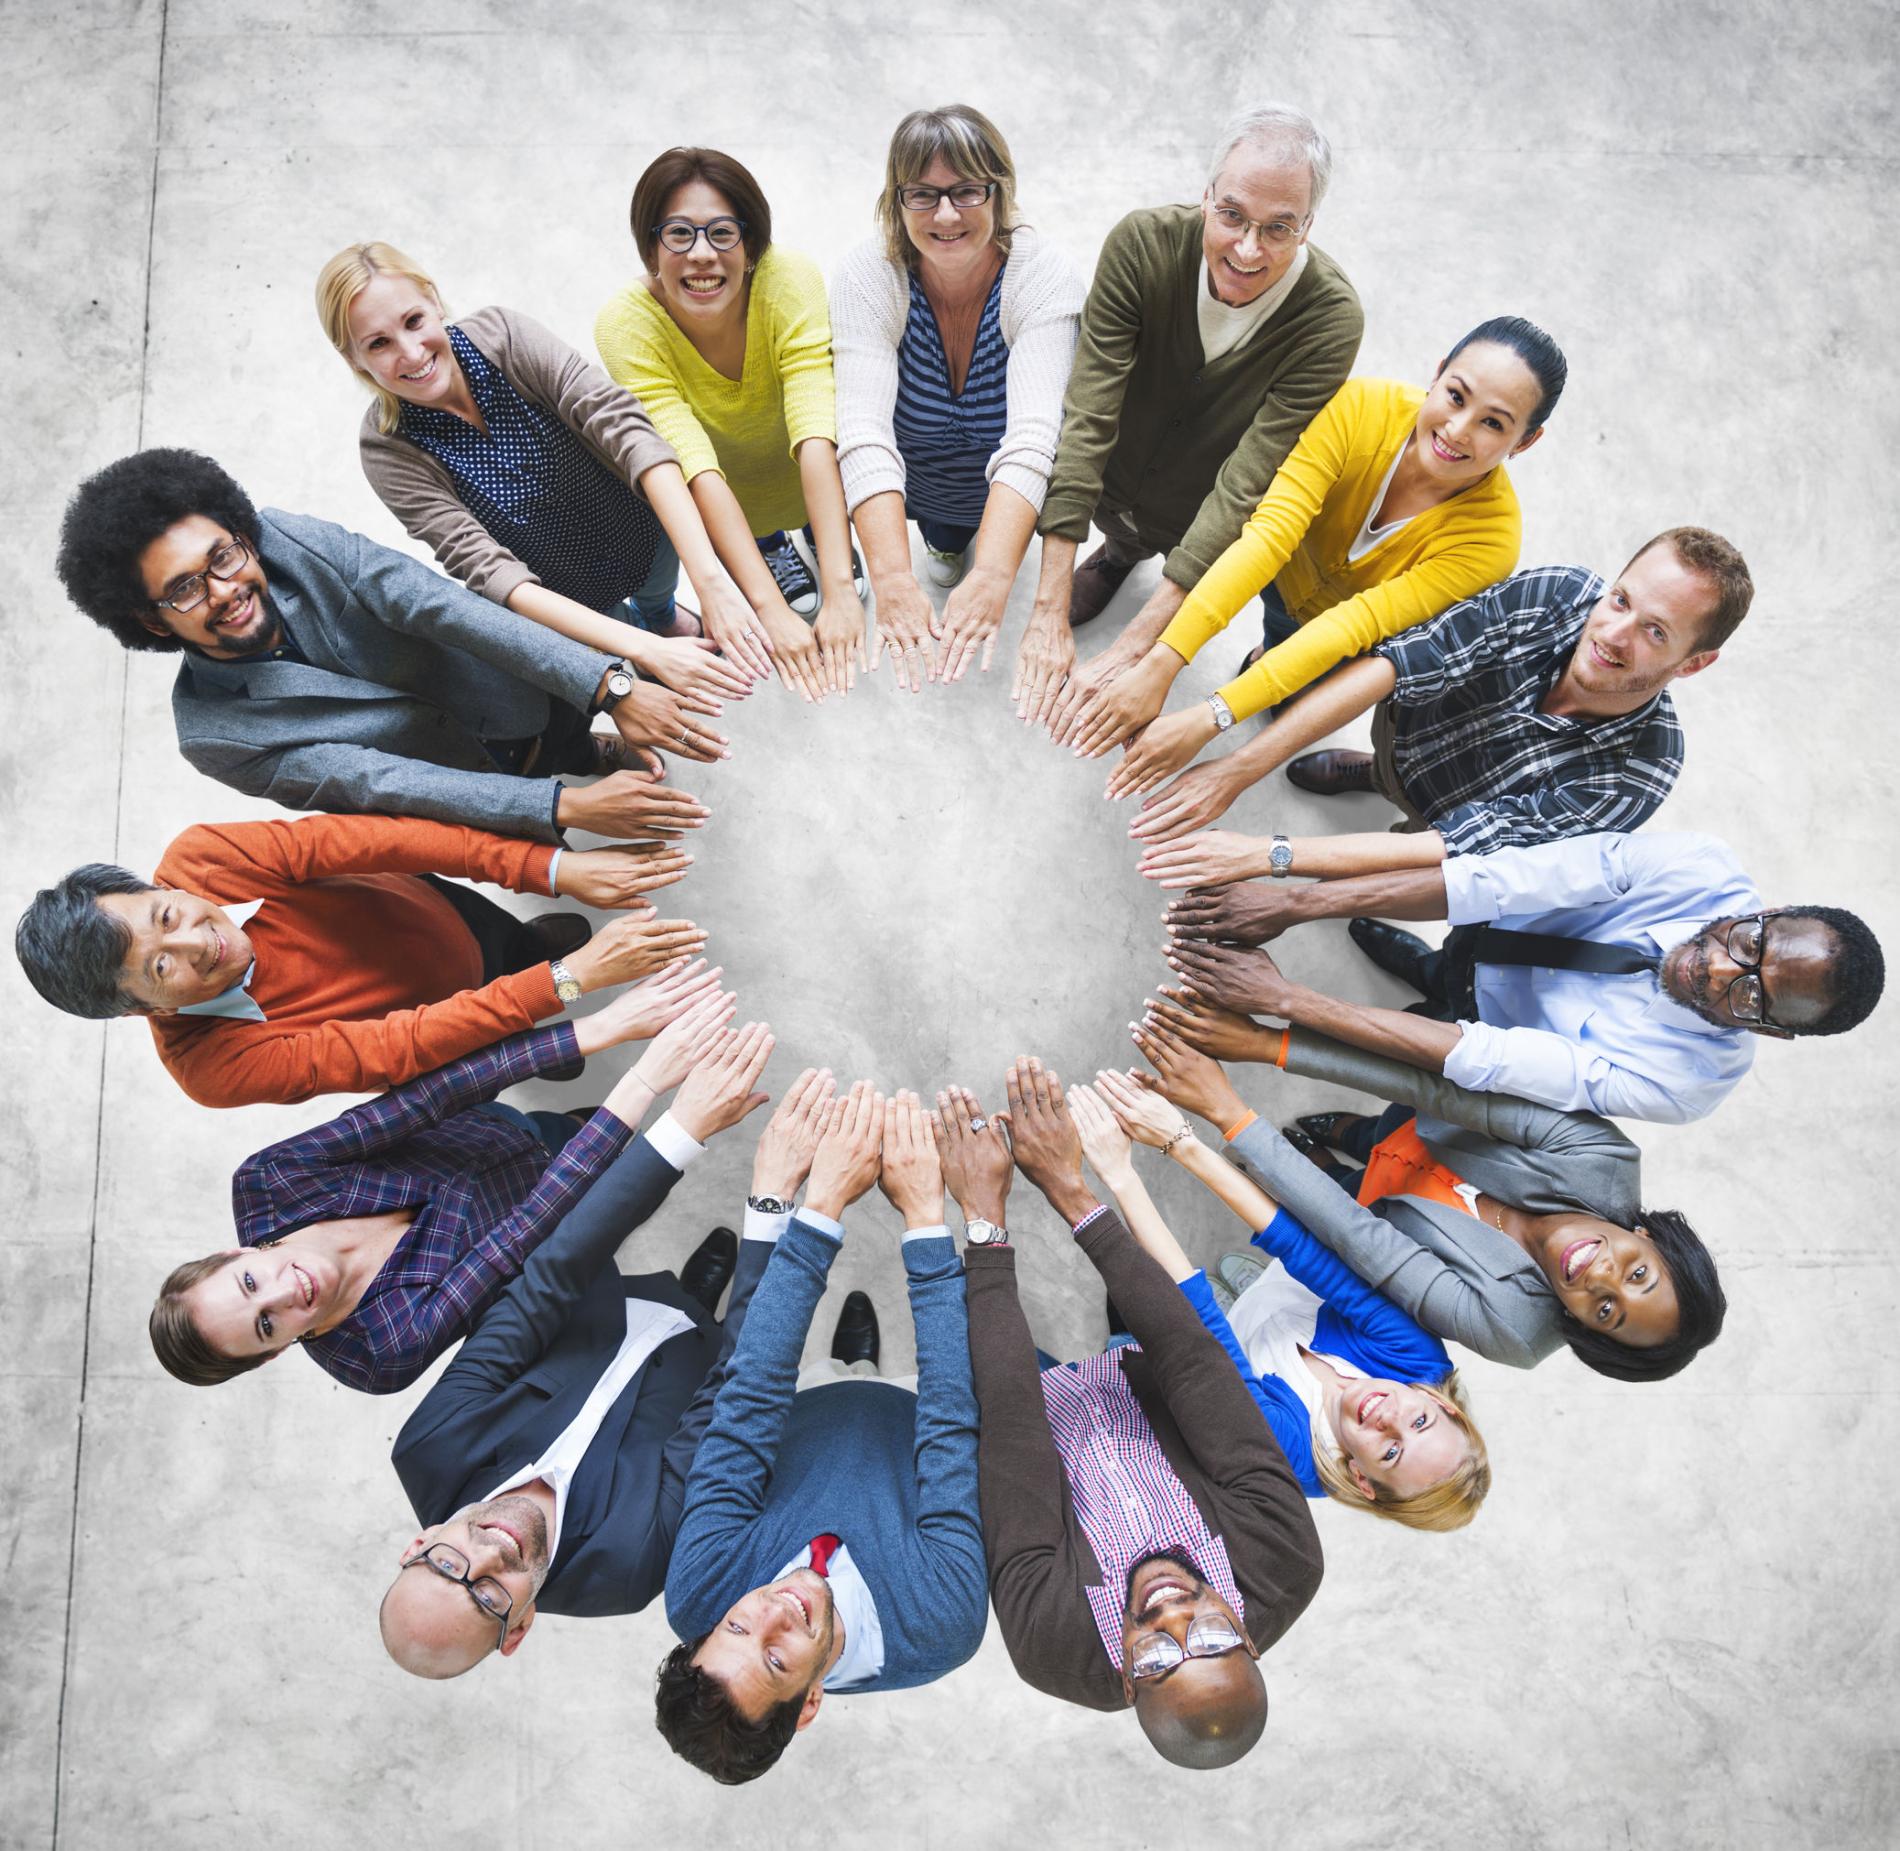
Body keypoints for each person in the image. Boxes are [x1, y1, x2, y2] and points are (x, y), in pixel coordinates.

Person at [949, 1057, 1322, 1768]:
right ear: (1247, 1635)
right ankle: (1114, 1315)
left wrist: (984, 1224)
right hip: (1146, 1375)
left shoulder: (1051, 1647)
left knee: (998, 1351)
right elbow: (1191, 1359)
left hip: (1034, 1428)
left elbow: (1010, 1433)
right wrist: (1070, 1191)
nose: (1171, 1615)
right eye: (1209, 1638)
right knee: (1140, 1313)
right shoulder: (1284, 1561)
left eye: (1155, 1657)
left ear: (1123, 1677)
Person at [379, 1025, 780, 1678]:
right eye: (485, 1598)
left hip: (616, 1305)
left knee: (681, 1287)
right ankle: (704, 1298)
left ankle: (692, 1286)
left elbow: (551, 1278)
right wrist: (772, 1207)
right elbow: (733, 1402)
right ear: (520, 1627)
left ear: (420, 1544)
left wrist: (682, 1128)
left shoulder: (431, 1446)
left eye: (449, 1566)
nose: (485, 1558)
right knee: (711, 1323)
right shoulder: (625, 1572)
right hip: (701, 1371)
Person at [54, 448, 718, 842]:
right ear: (151, 621)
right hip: (467, 784)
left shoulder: (292, 538)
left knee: (567, 733)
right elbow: (381, 783)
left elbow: (438, 605)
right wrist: (560, 808)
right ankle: (572, 763)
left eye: (223, 555)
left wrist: (609, 684)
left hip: (511, 684)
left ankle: (588, 748)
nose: (224, 590)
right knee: (538, 770)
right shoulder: (216, 735)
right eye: (184, 590)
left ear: (243, 535)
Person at [147, 976, 736, 1394]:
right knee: (608, 1191)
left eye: (249, 1281)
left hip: (488, 1132)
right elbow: (517, 1239)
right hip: (546, 1224)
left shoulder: (271, 1182)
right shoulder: (380, 1353)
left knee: (567, 1127)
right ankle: (684, 1292)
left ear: (236, 1253)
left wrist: (602, 1027)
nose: (281, 1294)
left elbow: (429, 1099)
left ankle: (580, 1115)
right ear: (275, 1352)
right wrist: (644, 1081)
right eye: (266, 1325)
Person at [653, 1086, 987, 1784]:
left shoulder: (696, 1594)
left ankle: (851, 1360)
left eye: (737, 1629)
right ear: (808, 1705)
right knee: (921, 1388)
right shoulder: (942, 1626)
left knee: (828, 1365)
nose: (775, 1611)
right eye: (777, 1658)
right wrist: (926, 1219)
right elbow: (950, 1424)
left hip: (807, 1397)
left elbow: (747, 1406)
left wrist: (821, 1208)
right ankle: (869, 1364)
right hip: (912, 1414)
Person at [1090, 316, 1568, 795]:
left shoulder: (1492, 541)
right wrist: (1161, 662)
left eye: (1493, 423)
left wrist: (1213, 714)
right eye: (1456, 396)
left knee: (1295, 680)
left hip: (1346, 637)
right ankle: (1266, 653)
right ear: (1438, 374)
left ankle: (1269, 660)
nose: (1458, 430)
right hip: (1278, 573)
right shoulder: (1363, 406)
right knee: (1272, 621)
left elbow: (1354, 626)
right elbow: (1268, 537)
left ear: (1525, 441)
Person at [1129, 1000, 1725, 1380]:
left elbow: (1364, 1241)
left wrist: (1228, 1113)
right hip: (1426, 1126)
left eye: (1605, 1312)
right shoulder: (1603, 1159)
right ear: (1649, 1237)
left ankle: (1322, 1148)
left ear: (1584, 1329)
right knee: (1374, 1129)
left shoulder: (1514, 1330)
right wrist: (1270, 1045)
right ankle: (1341, 1129)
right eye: (1637, 1273)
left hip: (1383, 1215)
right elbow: (1444, 1095)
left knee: (1340, 1188)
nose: (1600, 1279)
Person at [1013, 102, 1362, 729]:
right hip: (1116, 478)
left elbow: (1249, 480)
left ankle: (1140, 564)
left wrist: (1138, 645)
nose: (1248, 250)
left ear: (1309, 225)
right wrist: (1046, 604)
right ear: (1205, 196)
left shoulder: (1331, 319)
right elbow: (1090, 411)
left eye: (1279, 228)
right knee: (1120, 534)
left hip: (1200, 510)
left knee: (1195, 533)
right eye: (1231, 215)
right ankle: (1118, 556)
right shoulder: (1141, 244)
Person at [1163, 830, 1887, 1125]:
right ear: (1772, 908)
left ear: (1773, 1031)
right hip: (1494, 927)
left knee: (1437, 1018)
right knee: (1444, 955)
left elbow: (1490, 1059)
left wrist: (1286, 999)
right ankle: (1422, 960)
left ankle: (1429, 977)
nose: (1720, 964)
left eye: (1752, 992)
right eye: (1754, 938)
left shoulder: (1690, 1085)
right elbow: (1496, 883)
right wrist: (1294, 901)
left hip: (1486, 1027)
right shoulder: (1698, 868)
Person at [1130, 528, 1754, 863]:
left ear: (1693, 665)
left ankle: (1389, 792)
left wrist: (1273, 858)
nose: (1612, 634)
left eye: (1655, 632)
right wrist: (1237, 767)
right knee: (1384, 760)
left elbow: (1462, 851)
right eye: (1621, 599)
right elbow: (1402, 663)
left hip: (1444, 823)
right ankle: (1375, 774)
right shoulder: (1561, 593)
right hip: (1405, 724)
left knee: (1410, 848)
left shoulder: (1641, 770)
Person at [318, 241, 757, 718]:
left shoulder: (502, 336)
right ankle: (645, 635)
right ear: (353, 360)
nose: (411, 353)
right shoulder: (387, 451)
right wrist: (642, 653)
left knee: (659, 592)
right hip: (563, 597)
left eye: (414, 321)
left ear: (434, 301)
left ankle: (663, 617)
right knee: (622, 639)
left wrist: (710, 579)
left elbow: (623, 426)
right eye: (378, 344)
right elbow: (491, 574)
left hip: (638, 529)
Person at [15, 811, 706, 1108]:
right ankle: (538, 1022)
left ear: (158, 887)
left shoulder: (202, 856)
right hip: (431, 1027)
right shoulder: (211, 1067)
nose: (200, 940)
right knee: (514, 1027)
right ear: (147, 1009)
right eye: (163, 968)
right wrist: (569, 981)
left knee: (514, 944)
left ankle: (528, 953)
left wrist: (547, 867)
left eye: (167, 914)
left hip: (425, 911)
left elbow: (379, 841)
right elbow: (391, 1047)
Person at [1066, 1075, 1488, 1528]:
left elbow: (1203, 1336)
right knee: (1280, 1274)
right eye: (1420, 1421)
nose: (1388, 1418)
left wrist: (1120, 1175)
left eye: (1391, 1452)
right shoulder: (1419, 1361)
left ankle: (1232, 1306)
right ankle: (1250, 1290)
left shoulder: (1295, 1460)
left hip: (1233, 1355)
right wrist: (1178, 1138)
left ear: (1363, 1481)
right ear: (1444, 1405)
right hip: (1289, 1296)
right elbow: (1304, 1251)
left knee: (1155, 1317)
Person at [595, 146, 866, 703]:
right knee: (762, 535)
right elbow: (691, 464)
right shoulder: (626, 324)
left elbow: (815, 424)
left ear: (752, 244)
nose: (701, 255)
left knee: (821, 518)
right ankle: (773, 551)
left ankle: (822, 536)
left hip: (809, 474)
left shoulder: (789, 277)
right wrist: (765, 604)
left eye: (722, 233)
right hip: (731, 500)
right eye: (678, 234)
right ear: (650, 246)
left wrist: (839, 586)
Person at [830, 104, 1083, 690]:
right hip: (916, 488)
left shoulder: (1042, 276)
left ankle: (973, 550)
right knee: (942, 545)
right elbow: (863, 431)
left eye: (966, 190)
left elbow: (1034, 437)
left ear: (1000, 192)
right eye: (922, 194)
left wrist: (997, 575)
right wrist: (893, 577)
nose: (945, 213)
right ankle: (945, 546)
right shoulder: (871, 275)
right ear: (897, 202)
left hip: (1010, 493)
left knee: (975, 555)